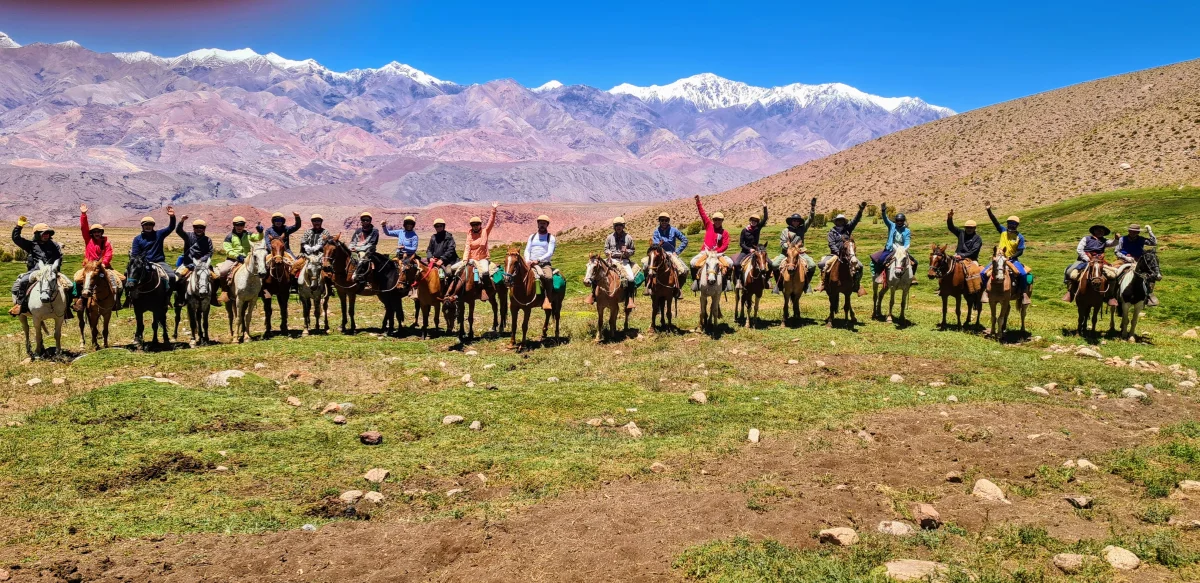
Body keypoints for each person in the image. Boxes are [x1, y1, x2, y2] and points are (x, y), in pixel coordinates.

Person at [10, 216, 68, 317]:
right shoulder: (32, 245)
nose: (46, 235)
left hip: (52, 271)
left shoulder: (54, 245)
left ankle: (66, 309)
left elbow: (59, 258)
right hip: (36, 271)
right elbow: (16, 239)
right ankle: (20, 305)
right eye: (44, 233)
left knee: (69, 285)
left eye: (47, 233)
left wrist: (55, 269)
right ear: (37, 234)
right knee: (23, 281)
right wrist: (18, 227)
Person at [73, 204, 125, 305]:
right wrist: (83, 214)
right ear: (91, 233)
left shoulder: (106, 243)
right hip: (89, 268)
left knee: (122, 279)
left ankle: (116, 300)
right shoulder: (88, 240)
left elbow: (108, 254)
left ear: (101, 233)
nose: (97, 233)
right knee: (77, 279)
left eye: (99, 232)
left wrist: (104, 263)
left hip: (104, 267)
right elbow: (84, 228)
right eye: (94, 232)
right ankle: (79, 300)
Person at [447, 202, 499, 299]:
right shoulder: (469, 234)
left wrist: (493, 210)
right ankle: (451, 290)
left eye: (477, 224)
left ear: (480, 225)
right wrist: (465, 259)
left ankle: (486, 289)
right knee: (452, 269)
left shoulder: (485, 232)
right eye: (473, 225)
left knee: (485, 272)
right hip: (471, 259)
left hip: (483, 259)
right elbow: (467, 247)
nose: (475, 226)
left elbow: (491, 223)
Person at [984, 203, 1032, 304]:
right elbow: (995, 222)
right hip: (998, 258)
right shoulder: (1003, 231)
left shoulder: (1020, 237)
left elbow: (1020, 251)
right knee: (982, 273)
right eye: (1010, 223)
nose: (1011, 225)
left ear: (1017, 225)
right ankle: (985, 292)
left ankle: (1023, 294)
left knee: (1023, 274)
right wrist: (989, 211)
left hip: (1012, 260)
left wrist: (1011, 257)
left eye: (1013, 223)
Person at [815, 201, 867, 293]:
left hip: (848, 255)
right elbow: (831, 244)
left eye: (842, 220)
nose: (840, 222)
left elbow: (855, 220)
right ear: (836, 222)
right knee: (823, 264)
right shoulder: (831, 232)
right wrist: (838, 252)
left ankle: (856, 284)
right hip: (834, 255)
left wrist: (860, 211)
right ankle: (823, 283)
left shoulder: (848, 229)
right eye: (838, 220)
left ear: (844, 221)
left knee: (860, 266)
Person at [770, 198, 817, 293]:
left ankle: (806, 285)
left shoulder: (802, 228)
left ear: (799, 222)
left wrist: (812, 208)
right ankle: (778, 285)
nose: (795, 222)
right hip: (786, 253)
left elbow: (810, 219)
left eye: (797, 221)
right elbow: (782, 243)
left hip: (800, 253)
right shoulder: (785, 231)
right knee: (774, 265)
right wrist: (789, 248)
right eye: (794, 220)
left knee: (812, 265)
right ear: (791, 221)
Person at [1063, 224, 1117, 303]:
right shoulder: (1086, 238)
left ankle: (1110, 296)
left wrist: (1116, 239)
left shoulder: (1105, 241)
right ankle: (1070, 292)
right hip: (1084, 260)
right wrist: (1088, 259)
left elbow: (1113, 244)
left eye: (1102, 231)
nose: (1100, 232)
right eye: (1098, 230)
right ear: (1094, 231)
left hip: (1099, 261)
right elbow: (1079, 250)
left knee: (1112, 275)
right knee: (1070, 272)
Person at [590, 217, 637, 309]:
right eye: (616, 225)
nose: (618, 227)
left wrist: (627, 252)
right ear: (614, 227)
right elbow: (606, 249)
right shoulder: (609, 237)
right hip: (610, 260)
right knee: (595, 273)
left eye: (620, 225)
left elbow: (633, 250)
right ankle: (593, 295)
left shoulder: (628, 238)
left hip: (623, 261)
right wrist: (608, 253)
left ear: (623, 226)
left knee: (630, 278)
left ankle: (630, 298)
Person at [689, 195, 733, 290]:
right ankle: (696, 280)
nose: (717, 221)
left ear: (722, 221)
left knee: (730, 263)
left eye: (719, 220)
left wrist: (717, 251)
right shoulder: (709, 225)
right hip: (705, 253)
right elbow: (703, 214)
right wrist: (698, 202)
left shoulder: (725, 232)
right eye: (715, 219)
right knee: (692, 262)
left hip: (718, 254)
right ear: (713, 220)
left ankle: (727, 281)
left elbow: (725, 245)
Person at [217, 216, 264, 303]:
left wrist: (260, 232)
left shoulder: (248, 234)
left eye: (241, 225)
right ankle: (225, 291)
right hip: (233, 259)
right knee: (223, 271)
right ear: (234, 225)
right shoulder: (229, 237)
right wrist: (237, 256)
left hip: (247, 258)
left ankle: (260, 290)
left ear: (244, 225)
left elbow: (258, 238)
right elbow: (228, 250)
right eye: (237, 225)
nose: (239, 227)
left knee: (261, 269)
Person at [642, 212, 688, 297]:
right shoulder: (656, 231)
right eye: (662, 220)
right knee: (645, 266)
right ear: (659, 221)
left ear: (668, 221)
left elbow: (685, 240)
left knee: (684, 270)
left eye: (666, 220)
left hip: (671, 254)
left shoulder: (674, 230)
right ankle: (648, 285)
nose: (664, 222)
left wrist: (677, 252)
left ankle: (678, 288)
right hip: (659, 253)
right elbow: (656, 244)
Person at [174, 215, 218, 304]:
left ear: (204, 229)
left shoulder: (207, 240)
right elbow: (178, 231)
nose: (199, 229)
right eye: (196, 227)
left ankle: (213, 297)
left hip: (203, 265)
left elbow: (210, 252)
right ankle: (180, 298)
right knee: (178, 279)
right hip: (188, 264)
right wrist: (182, 221)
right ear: (193, 228)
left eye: (201, 227)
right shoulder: (188, 236)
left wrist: (201, 260)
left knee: (216, 279)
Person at [130, 207, 178, 288]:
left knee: (172, 276)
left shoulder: (159, 234)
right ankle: (129, 297)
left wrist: (172, 217)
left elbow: (171, 227)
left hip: (159, 262)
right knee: (129, 277)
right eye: (146, 225)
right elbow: (135, 255)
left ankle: (167, 297)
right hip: (143, 263)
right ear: (142, 226)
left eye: (150, 224)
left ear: (153, 226)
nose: (148, 226)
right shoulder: (137, 239)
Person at [870, 203, 917, 282]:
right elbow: (885, 219)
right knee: (881, 260)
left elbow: (907, 240)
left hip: (902, 250)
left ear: (903, 221)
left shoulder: (907, 231)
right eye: (898, 220)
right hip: (890, 249)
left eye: (901, 221)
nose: (899, 222)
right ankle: (880, 275)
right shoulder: (892, 225)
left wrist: (904, 249)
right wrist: (883, 211)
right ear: (896, 221)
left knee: (915, 263)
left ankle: (911, 278)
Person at [1115, 223, 1159, 306]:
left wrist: (1150, 231)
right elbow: (1117, 251)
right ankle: (1113, 294)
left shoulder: (1141, 239)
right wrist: (1125, 257)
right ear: (1129, 231)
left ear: (1138, 232)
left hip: (1138, 261)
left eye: (1136, 232)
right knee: (1114, 273)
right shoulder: (1122, 239)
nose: (1133, 233)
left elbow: (1154, 242)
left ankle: (1149, 293)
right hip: (1123, 260)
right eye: (1132, 231)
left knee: (1151, 274)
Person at [524, 214, 558, 309]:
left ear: (547, 225)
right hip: (530, 263)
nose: (542, 225)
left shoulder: (550, 238)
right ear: (537, 224)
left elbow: (550, 252)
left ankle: (548, 298)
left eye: (544, 223)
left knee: (548, 277)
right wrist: (527, 260)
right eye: (540, 223)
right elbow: (527, 250)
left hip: (544, 264)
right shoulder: (532, 237)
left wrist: (538, 260)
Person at [731, 205, 769, 289]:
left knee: (770, 263)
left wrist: (765, 207)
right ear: (750, 220)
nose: (754, 222)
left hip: (757, 251)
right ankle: (738, 281)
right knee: (736, 264)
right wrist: (749, 249)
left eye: (756, 221)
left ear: (757, 222)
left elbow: (766, 218)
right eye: (752, 220)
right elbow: (741, 243)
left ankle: (767, 280)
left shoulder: (758, 228)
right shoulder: (744, 230)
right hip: (745, 251)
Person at [349, 212, 382, 286]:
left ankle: (361, 277)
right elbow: (353, 241)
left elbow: (372, 244)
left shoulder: (374, 231)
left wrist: (357, 249)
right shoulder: (358, 231)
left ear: (370, 221)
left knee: (362, 258)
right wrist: (350, 248)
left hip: (368, 250)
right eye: (363, 220)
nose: (365, 222)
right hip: (356, 249)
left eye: (367, 220)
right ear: (361, 221)